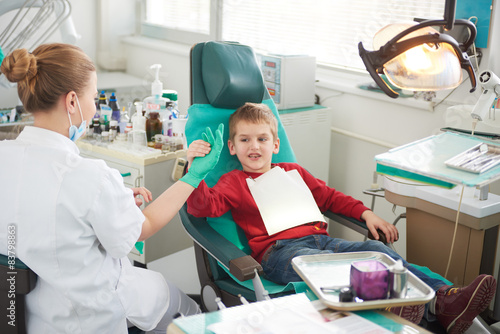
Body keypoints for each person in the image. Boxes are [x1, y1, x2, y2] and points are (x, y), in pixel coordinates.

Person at [186, 102, 496, 334]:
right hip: (281, 253)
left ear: (275, 144)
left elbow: (331, 197)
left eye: (262, 139)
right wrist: (194, 170)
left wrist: (366, 212)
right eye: (244, 140)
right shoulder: (234, 182)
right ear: (232, 146)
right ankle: (393, 304)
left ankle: (445, 300)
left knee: (380, 253)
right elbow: (202, 207)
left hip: (324, 241)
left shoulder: (294, 172)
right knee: (335, 270)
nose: (254, 146)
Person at [0, 43, 223, 334]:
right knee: (185, 311)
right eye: (93, 97)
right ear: (71, 102)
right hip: (87, 315)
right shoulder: (89, 176)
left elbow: (33, 215)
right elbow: (142, 228)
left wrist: (109, 204)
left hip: (23, 315)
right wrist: (192, 177)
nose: (94, 108)